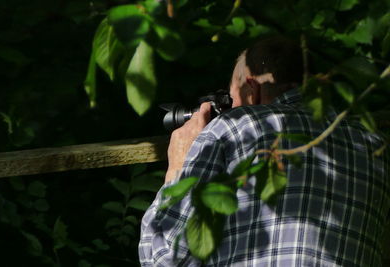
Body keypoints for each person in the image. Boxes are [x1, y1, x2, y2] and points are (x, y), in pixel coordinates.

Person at [139, 36, 389, 266]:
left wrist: (178, 167)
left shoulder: (234, 127)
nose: (230, 110)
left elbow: (164, 259)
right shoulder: (374, 143)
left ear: (252, 89)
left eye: (231, 100)